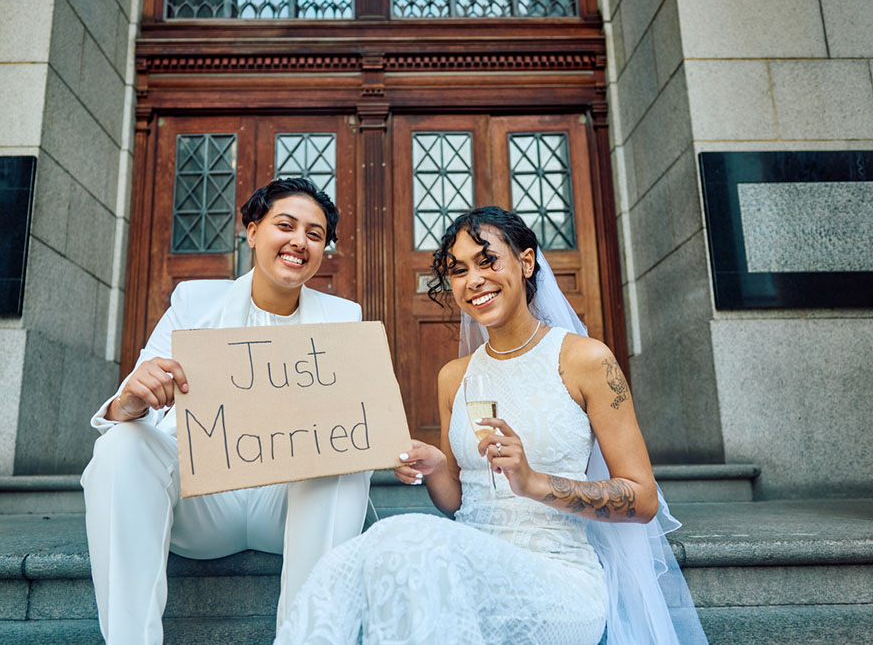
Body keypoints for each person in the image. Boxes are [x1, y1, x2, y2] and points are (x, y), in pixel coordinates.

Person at [274, 206, 707, 644]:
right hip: (467, 565)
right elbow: (460, 502)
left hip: (560, 581)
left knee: (405, 539)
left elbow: (643, 498)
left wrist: (534, 481)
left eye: (486, 261)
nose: (473, 280)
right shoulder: (454, 376)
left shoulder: (586, 360)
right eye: (458, 270)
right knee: (367, 553)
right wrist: (436, 467)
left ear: (526, 261)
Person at [82, 178, 372, 645]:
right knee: (120, 444)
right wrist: (129, 401)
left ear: (323, 251)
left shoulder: (344, 318)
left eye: (315, 235)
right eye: (286, 225)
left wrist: (384, 439)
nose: (300, 241)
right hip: (201, 503)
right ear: (253, 230)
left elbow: (358, 424)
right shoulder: (194, 302)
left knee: (344, 461)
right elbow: (130, 405)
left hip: (289, 505)